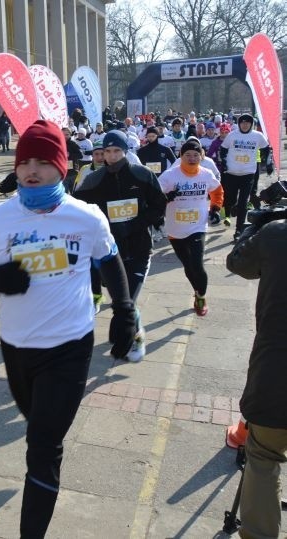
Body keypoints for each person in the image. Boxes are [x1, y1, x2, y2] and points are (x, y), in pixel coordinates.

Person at [0, 120, 136, 538]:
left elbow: (110, 260)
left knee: (43, 448)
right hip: (16, 347)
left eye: (43, 161)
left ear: (62, 168)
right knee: (35, 424)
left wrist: (124, 311)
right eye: (25, 162)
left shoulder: (86, 218)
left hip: (70, 347)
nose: (31, 170)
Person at [75, 130, 167, 362]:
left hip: (139, 248)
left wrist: (137, 224)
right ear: (102, 154)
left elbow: (158, 205)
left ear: (126, 151)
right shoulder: (93, 180)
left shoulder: (142, 175)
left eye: (117, 151)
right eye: (107, 151)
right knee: (120, 301)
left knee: (128, 300)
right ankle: (127, 333)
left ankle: (136, 337)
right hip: (108, 253)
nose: (112, 156)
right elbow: (78, 212)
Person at [226, 210, 287, 539]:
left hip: (276, 375)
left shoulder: (277, 233)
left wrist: (256, 225)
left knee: (263, 458)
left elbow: (237, 262)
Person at [156, 138, 224, 316]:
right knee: (188, 265)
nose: (192, 158)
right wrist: (167, 197)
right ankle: (196, 291)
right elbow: (154, 195)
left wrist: (215, 208)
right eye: (188, 155)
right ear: (181, 156)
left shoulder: (206, 174)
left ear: (201, 156)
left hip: (198, 226)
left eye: (196, 155)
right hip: (175, 229)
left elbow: (217, 191)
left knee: (197, 264)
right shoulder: (170, 175)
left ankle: (201, 296)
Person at [219, 113, 273, 242]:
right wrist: (224, 162)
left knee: (243, 202)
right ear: (239, 124)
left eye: (248, 123)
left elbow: (267, 150)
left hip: (248, 174)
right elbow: (223, 150)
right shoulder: (232, 135)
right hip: (231, 174)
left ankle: (239, 230)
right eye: (242, 122)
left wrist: (268, 163)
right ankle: (229, 211)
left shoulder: (257, 136)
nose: (245, 125)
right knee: (230, 200)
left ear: (251, 124)